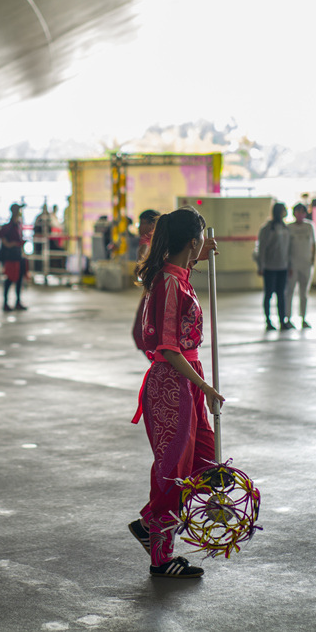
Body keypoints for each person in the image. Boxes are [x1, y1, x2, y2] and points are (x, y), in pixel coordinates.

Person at [127, 206, 224, 579]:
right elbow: (168, 348)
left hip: (188, 382)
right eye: (199, 239)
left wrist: (202, 249)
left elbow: (184, 259)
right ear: (192, 240)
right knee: (174, 475)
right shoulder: (169, 282)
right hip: (172, 385)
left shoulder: (178, 274)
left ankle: (150, 523)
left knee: (207, 466)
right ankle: (162, 559)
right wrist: (205, 387)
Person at [255, 202, 290, 330]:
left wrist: (289, 265)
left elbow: (288, 249)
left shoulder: (286, 227)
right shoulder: (267, 228)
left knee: (281, 295)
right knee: (269, 294)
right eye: (283, 210)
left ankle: (282, 320)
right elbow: (262, 248)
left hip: (283, 267)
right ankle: (268, 321)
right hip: (270, 267)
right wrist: (261, 265)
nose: (285, 212)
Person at [132, 209, 161, 354]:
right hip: (154, 291)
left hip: (154, 292)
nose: (139, 227)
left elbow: (140, 266)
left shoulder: (147, 242)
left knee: (140, 332)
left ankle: (159, 365)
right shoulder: (160, 241)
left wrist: (139, 266)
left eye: (142, 223)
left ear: (152, 225)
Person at [285, 203, 316, 329]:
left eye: (302, 212)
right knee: (290, 292)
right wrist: (288, 265)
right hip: (293, 264)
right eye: (297, 212)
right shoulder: (289, 227)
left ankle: (303, 317)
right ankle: (287, 318)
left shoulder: (309, 226)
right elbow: (286, 247)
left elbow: (314, 244)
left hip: (306, 264)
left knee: (304, 293)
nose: (300, 214)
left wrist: (312, 260)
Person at [0, 203, 28, 311]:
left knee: (19, 279)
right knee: (10, 279)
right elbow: (2, 237)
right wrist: (12, 244)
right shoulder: (9, 226)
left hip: (18, 255)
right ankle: (5, 302)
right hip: (11, 256)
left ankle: (18, 301)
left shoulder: (17, 225)